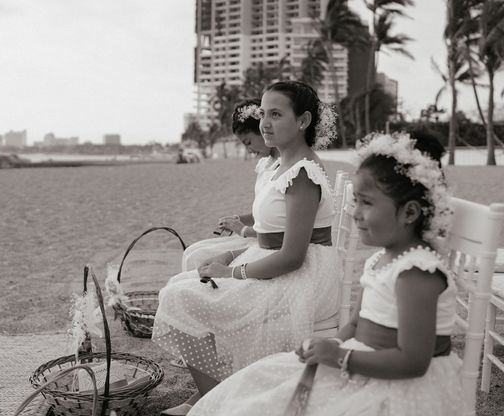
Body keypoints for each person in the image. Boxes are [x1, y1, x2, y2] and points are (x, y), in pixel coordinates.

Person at [188, 130, 463, 416]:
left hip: (397, 388)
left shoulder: (417, 273)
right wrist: (331, 343)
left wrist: (340, 356)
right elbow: (355, 325)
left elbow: (413, 363)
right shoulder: (382, 260)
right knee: (259, 384)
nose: (355, 213)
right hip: (359, 363)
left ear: (409, 213)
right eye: (356, 200)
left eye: (367, 203)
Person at [153, 81, 340, 415]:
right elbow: (271, 237)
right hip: (277, 263)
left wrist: (232, 272)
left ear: (303, 121)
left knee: (178, 299)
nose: (265, 123)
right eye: (264, 113)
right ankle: (218, 395)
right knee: (180, 286)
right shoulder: (283, 166)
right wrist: (229, 254)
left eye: (276, 114)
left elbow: (293, 256)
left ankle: (216, 403)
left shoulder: (302, 174)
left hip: (301, 279)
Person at [181, 99, 279, 272]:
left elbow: (279, 228)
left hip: (265, 241)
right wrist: (238, 220)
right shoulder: (266, 164)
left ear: (263, 130)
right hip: (259, 235)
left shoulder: (288, 170)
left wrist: (242, 230)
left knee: (197, 256)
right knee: (192, 252)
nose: (248, 150)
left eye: (248, 142)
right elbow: (265, 213)